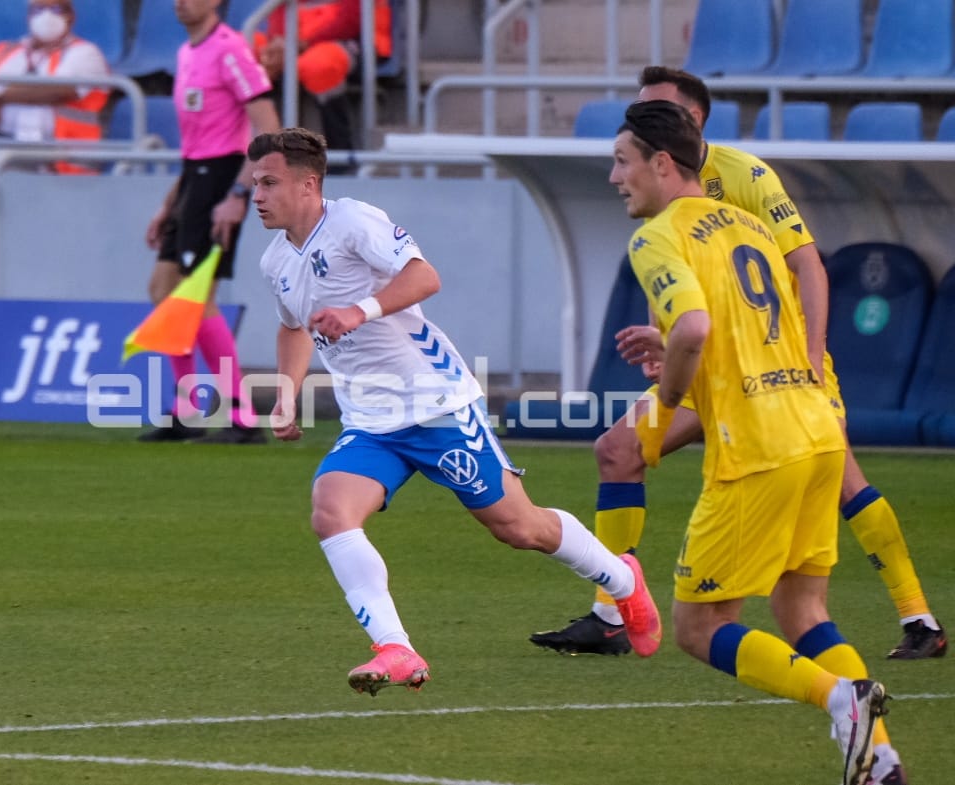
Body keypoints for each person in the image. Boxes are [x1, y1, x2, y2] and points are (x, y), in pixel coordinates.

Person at [531, 65, 947, 661]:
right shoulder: (662, 200)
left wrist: (809, 358)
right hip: (710, 365)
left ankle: (918, 617)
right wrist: (665, 337)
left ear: (690, 124)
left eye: (655, 111)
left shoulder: (744, 175)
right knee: (618, 451)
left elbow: (806, 265)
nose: (639, 124)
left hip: (777, 366)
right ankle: (614, 612)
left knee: (844, 483)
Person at [247, 126, 662, 695]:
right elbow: (294, 327)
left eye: (269, 182)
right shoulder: (276, 260)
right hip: (371, 421)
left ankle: (621, 578)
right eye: (254, 184)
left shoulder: (353, 221)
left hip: (436, 402)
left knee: (519, 528)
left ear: (308, 184)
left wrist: (360, 311)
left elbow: (425, 276)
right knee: (331, 511)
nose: (257, 195)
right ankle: (396, 649)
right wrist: (289, 392)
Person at [609, 100, 906, 785]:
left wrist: (666, 399)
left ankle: (840, 698)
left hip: (757, 448)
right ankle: (879, 759)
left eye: (621, 161)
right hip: (813, 429)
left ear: (661, 164)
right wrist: (676, 343)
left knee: (695, 625)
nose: (613, 177)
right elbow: (742, 321)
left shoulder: (657, 236)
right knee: (802, 609)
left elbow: (692, 329)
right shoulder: (742, 221)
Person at [137, 0, 283, 445]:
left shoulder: (231, 49)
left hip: (222, 177)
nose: (182, 2)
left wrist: (240, 193)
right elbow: (194, 141)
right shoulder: (187, 52)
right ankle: (187, 410)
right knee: (163, 290)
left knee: (197, 298)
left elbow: (267, 129)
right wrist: (170, 203)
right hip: (194, 179)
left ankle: (241, 416)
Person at [0, 0, 110, 174]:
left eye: (56, 9)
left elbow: (55, 91)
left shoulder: (85, 53)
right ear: (28, 16)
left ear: (71, 16)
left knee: (5, 172)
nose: (46, 16)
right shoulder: (3, 50)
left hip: (54, 151)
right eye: (39, 9)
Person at [251, 0, 393, 154]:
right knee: (244, 52)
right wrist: (279, 44)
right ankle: (247, 150)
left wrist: (296, 44)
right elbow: (280, 10)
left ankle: (341, 154)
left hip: (350, 38)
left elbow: (349, 19)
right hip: (293, 41)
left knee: (319, 66)